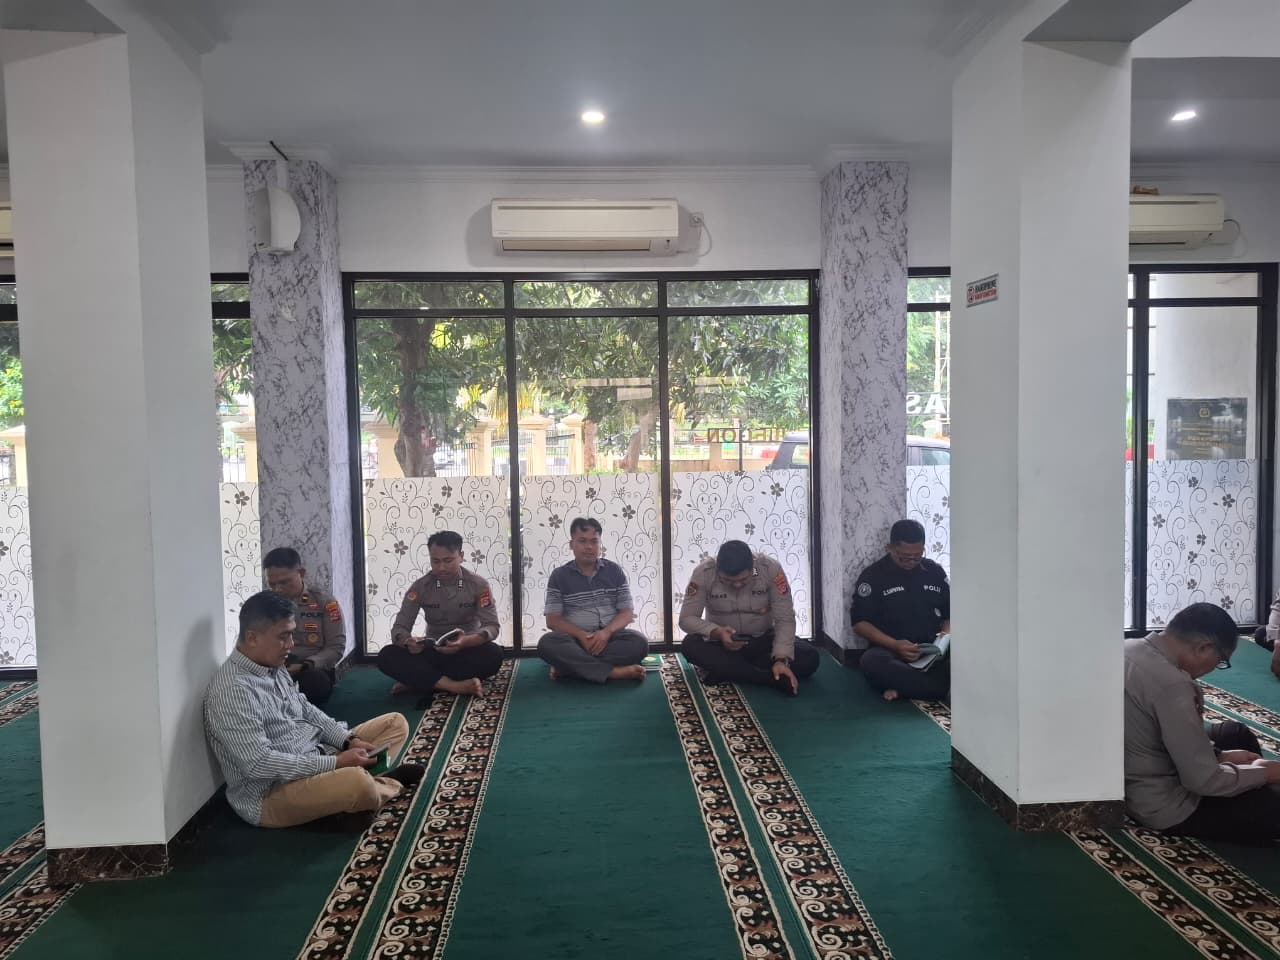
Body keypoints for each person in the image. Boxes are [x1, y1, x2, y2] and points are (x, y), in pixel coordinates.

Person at [204, 591, 424, 829]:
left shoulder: (272, 664)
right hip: (273, 792)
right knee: (357, 783)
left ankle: (351, 799)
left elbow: (307, 710)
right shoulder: (232, 691)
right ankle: (379, 785)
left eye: (291, 634)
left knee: (395, 723)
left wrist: (349, 741)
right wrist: (336, 763)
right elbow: (259, 764)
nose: (291, 644)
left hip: (317, 755)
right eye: (283, 637)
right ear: (252, 637)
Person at [1125, 602, 1280, 843]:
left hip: (1138, 767)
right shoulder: (1173, 684)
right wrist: (1263, 774)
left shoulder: (1129, 648)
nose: (1214, 668)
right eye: (1220, 661)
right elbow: (1203, 781)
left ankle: (1254, 791)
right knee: (1271, 808)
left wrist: (1220, 756)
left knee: (1235, 733)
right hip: (1165, 803)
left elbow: (1160, 732)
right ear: (1204, 648)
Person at [377, 530, 504, 704]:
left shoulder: (478, 585)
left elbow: (492, 626)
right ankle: (455, 686)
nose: (441, 568)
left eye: (448, 561)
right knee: (386, 655)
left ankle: (422, 681)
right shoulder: (420, 587)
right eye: (435, 561)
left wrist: (465, 641)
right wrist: (408, 642)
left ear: (461, 556)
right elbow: (400, 627)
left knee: (494, 654)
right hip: (432, 652)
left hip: (466, 650)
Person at [678, 540, 819, 694]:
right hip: (722, 644)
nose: (737, 585)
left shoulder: (770, 569)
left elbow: (785, 619)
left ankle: (729, 670)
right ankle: (768, 679)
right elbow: (686, 619)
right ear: (718, 569)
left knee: (810, 658)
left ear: (752, 566)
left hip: (763, 640)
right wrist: (717, 632)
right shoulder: (704, 573)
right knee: (689, 645)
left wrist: (781, 659)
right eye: (729, 581)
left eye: (744, 579)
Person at [537, 517, 648, 683]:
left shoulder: (614, 571)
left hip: (609, 639)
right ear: (571, 544)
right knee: (547, 643)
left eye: (594, 541)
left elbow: (626, 613)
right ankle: (613, 673)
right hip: (574, 640)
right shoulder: (559, 576)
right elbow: (553, 621)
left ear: (600, 544)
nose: (589, 547)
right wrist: (582, 636)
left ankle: (570, 668)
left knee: (639, 643)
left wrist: (605, 633)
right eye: (582, 541)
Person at [851, 519, 950, 702]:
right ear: (890, 548)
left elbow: (950, 614)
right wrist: (895, 645)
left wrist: (943, 640)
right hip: (892, 651)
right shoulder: (873, 576)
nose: (911, 561)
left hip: (932, 651)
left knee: (966, 654)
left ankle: (907, 687)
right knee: (872, 662)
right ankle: (935, 688)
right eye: (905, 556)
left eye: (917, 556)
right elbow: (859, 623)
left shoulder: (935, 572)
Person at [262, 547, 345, 705]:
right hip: (276, 667)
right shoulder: (264, 605)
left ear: (301, 573)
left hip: (309, 669)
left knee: (315, 684)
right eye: (272, 584)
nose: (278, 589)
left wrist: (306, 665)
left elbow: (336, 647)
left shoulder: (324, 602)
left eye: (284, 582)